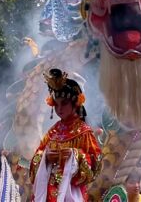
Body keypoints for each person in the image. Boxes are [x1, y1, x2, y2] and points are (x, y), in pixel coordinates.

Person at [30, 68, 101, 202]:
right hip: (48, 195)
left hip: (72, 194)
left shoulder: (84, 132)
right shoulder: (52, 132)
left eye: (64, 103)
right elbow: (36, 157)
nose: (59, 109)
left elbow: (95, 166)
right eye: (56, 105)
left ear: (75, 104)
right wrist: (45, 157)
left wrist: (76, 156)